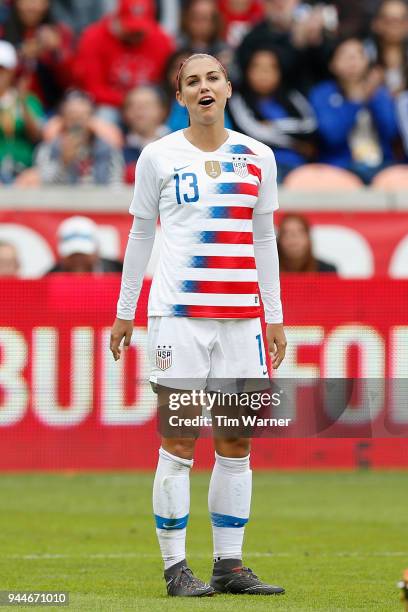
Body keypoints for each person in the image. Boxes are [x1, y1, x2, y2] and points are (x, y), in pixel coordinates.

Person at [110, 53, 287, 597]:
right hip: (178, 320)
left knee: (236, 442)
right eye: (193, 81)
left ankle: (229, 565)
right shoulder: (158, 157)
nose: (204, 87)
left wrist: (274, 316)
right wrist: (125, 310)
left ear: (228, 89)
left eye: (213, 77)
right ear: (181, 96)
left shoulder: (258, 156)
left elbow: (263, 240)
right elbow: (142, 235)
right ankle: (174, 568)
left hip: (241, 322)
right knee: (179, 441)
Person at [308, 36, 399, 183]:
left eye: (358, 55)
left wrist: (373, 98)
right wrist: (356, 101)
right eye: (345, 56)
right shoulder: (322, 93)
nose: (353, 61)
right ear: (332, 64)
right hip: (340, 167)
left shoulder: (378, 92)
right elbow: (332, 136)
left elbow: (391, 131)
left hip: (382, 166)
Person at [74, 0, 174, 124]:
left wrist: (145, 103)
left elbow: (166, 85)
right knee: (106, 115)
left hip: (148, 103)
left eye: (140, 30)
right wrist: (130, 101)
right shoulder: (94, 37)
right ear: (117, 20)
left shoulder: (162, 40)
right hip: (110, 104)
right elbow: (93, 88)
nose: (135, 34)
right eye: (130, 28)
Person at [228, 46, 317, 182]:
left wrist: (274, 125)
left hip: (298, 166)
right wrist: (295, 144)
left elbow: (310, 125)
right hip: (257, 167)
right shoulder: (236, 99)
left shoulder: (292, 96)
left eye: (271, 67)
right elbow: (254, 133)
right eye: (257, 67)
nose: (264, 73)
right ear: (247, 70)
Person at [35, 90, 124, 185]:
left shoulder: (108, 150)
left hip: (100, 199)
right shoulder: (48, 149)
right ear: (63, 119)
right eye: (72, 116)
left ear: (92, 119)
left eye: (82, 116)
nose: (77, 122)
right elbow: (43, 187)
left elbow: (116, 187)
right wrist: (63, 162)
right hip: (61, 199)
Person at [1, 0, 75, 111]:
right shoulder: (3, 30)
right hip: (9, 103)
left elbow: (72, 80)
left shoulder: (60, 33)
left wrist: (56, 52)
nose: (31, 6)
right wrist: (19, 55)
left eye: (38, 1)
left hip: (51, 107)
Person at [0, 40, 44, 185]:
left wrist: (22, 102)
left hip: (23, 170)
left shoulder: (28, 100)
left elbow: (36, 135)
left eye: (2, 69)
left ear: (12, 71)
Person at [122, 85, 170, 184]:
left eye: (146, 105)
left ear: (162, 110)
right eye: (133, 105)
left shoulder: (176, 144)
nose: (139, 110)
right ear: (125, 113)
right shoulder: (120, 147)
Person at [47, 216, 123, 274]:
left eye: (83, 255)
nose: (78, 261)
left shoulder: (119, 272)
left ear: (97, 250)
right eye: (73, 256)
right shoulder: (49, 280)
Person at [365, 0, 408, 96]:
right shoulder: (363, 54)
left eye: (401, 20)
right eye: (389, 20)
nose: (395, 26)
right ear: (376, 23)